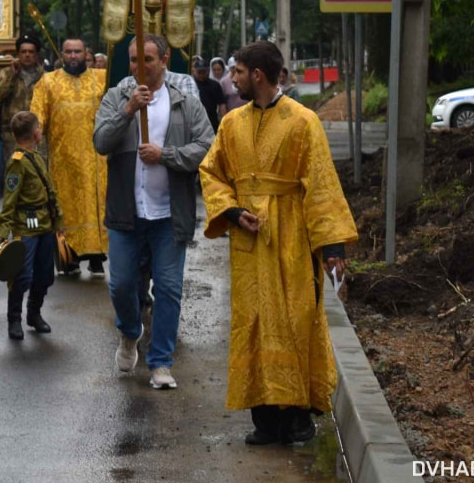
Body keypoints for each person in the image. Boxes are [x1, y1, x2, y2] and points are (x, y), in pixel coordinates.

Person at [199, 41, 357, 445]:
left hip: (292, 237)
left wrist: (332, 246)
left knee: (295, 320)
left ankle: (298, 417)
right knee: (252, 324)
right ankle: (265, 420)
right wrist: (232, 211)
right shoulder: (232, 123)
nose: (232, 79)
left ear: (257, 75)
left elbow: (321, 183)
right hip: (249, 243)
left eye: (238, 72)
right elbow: (211, 171)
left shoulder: (303, 121)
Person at [93, 34, 214, 392]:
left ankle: (160, 361)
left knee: (169, 289)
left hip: (169, 215)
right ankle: (130, 333)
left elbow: (207, 147)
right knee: (122, 285)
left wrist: (166, 156)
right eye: (133, 60)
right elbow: (101, 142)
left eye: (147, 59)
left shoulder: (185, 103)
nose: (139, 68)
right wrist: (128, 110)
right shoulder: (117, 96)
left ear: (164, 60)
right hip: (126, 214)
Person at [30, 37, 109, 275]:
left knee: (96, 207)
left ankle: (97, 257)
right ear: (62, 55)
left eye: (78, 51)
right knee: (65, 207)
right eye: (69, 52)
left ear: (86, 53)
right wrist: (32, 136)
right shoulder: (48, 81)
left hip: (98, 159)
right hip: (63, 160)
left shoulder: (102, 79)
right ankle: (69, 257)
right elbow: (37, 115)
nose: (73, 56)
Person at [0, 111, 60, 341]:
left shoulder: (38, 159)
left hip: (45, 225)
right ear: (35, 133)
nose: (41, 132)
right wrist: (3, 235)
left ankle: (34, 314)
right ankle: (14, 319)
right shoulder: (17, 164)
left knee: (45, 274)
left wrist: (58, 222)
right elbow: (9, 201)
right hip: (26, 226)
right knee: (22, 275)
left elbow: (50, 192)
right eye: (40, 128)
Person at [0, 34, 47, 180]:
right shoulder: (7, 73)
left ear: (36, 55)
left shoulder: (46, 77)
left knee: (38, 174)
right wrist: (11, 77)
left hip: (38, 135)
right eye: (23, 52)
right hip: (13, 135)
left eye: (31, 52)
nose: (27, 55)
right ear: (18, 54)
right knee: (15, 174)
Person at [192, 56, 227, 132]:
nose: (201, 75)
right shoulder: (191, 84)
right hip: (194, 121)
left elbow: (222, 104)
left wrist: (224, 122)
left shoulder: (215, 85)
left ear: (208, 71)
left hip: (211, 122)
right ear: (194, 71)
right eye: (199, 72)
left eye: (203, 72)